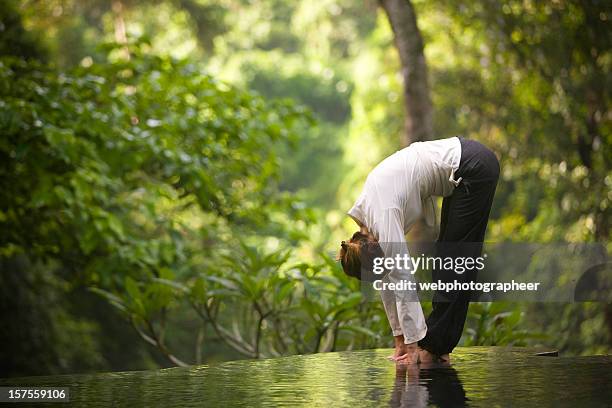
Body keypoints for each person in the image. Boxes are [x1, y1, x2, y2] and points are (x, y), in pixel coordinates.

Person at [338, 136, 499, 364]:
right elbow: (386, 281)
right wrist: (400, 340)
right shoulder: (369, 232)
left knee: (453, 263)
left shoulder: (383, 216)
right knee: (448, 262)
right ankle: (437, 346)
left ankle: (435, 347)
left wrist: (412, 347)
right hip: (465, 170)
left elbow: (401, 279)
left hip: (473, 167)